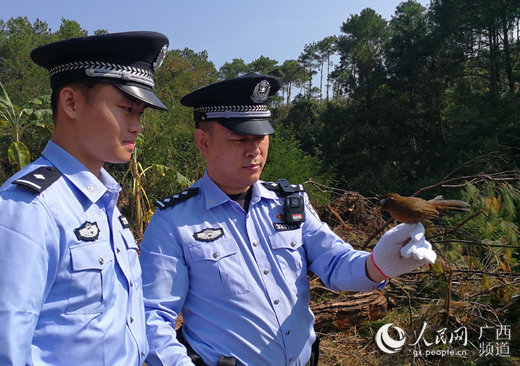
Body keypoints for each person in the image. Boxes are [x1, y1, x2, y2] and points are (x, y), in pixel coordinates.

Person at [139, 75, 437, 366]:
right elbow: (153, 319)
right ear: (203, 141)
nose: (254, 149)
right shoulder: (173, 222)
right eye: (240, 138)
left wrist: (378, 264)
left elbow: (334, 264)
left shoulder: (288, 202)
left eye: (260, 137)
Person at [0, 31, 169, 365]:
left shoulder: (105, 204)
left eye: (141, 114)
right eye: (126, 109)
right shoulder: (27, 210)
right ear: (71, 102)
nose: (137, 126)